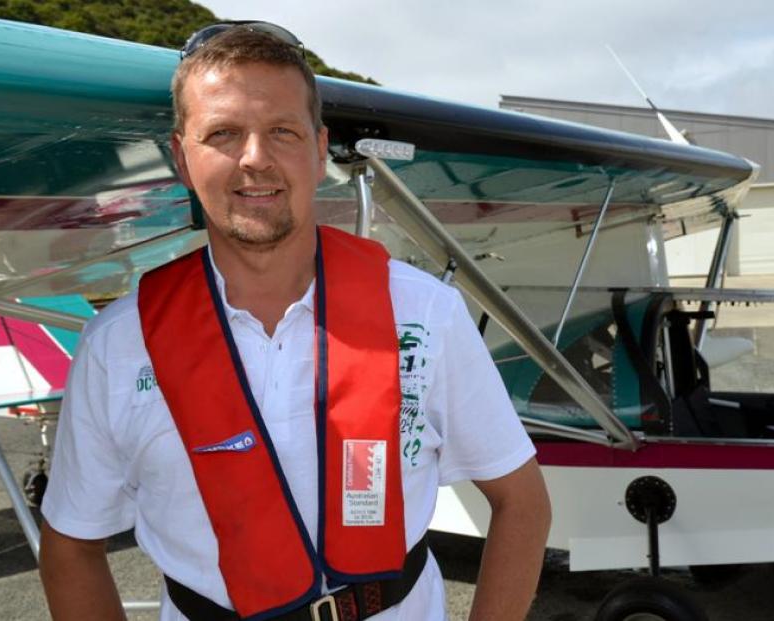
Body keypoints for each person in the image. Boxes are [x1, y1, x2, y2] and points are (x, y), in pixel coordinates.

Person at [39, 22, 551, 621]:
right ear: (182, 156)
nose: (255, 159)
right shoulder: (116, 347)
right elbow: (71, 545)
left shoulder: (424, 313)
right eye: (223, 134)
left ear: (317, 148)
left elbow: (522, 501)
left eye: (281, 131)